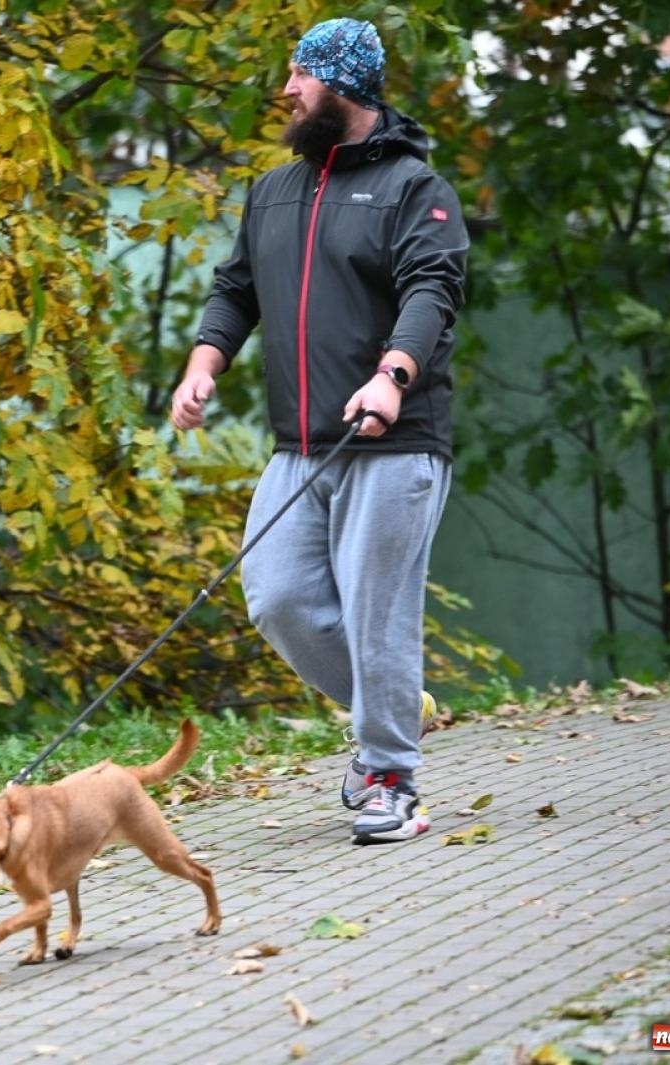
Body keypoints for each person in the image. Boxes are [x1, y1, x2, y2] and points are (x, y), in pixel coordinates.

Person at [170, 17, 468, 845]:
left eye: (301, 74)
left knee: (378, 614)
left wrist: (391, 376)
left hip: (393, 440)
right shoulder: (274, 191)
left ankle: (390, 779)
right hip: (298, 443)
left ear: (342, 85)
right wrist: (203, 365)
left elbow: (432, 290)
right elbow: (236, 290)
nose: (288, 89)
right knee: (278, 596)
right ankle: (395, 707)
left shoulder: (414, 188)